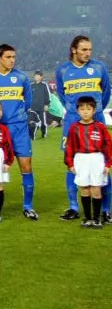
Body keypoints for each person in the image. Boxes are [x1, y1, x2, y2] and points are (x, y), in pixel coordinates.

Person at [54, 36, 112, 222]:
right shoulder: (62, 70)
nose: (88, 53)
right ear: (74, 50)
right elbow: (63, 96)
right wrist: (74, 111)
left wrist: (96, 111)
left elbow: (106, 92)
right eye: (84, 50)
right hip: (72, 122)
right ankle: (73, 207)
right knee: (72, 164)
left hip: (97, 120)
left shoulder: (99, 67)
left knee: (102, 164)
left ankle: (106, 209)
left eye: (90, 50)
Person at [0, 43, 38, 220]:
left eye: (14, 57)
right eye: (8, 57)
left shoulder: (21, 78)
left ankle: (28, 206)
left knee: (26, 167)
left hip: (19, 129)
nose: (12, 60)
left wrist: (16, 116)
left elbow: (27, 102)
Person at [65, 96, 112, 228]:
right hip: (81, 159)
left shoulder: (100, 127)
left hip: (97, 159)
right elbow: (69, 147)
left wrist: (108, 164)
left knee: (96, 189)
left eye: (88, 109)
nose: (85, 111)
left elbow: (108, 146)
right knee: (84, 189)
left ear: (94, 110)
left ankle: (97, 218)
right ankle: (87, 218)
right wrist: (70, 164)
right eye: (82, 109)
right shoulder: (74, 128)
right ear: (78, 111)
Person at [29, 71, 51, 140]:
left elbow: (48, 95)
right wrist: (28, 106)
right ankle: (32, 135)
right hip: (33, 107)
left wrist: (46, 104)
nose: (36, 77)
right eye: (35, 75)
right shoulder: (31, 85)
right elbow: (29, 96)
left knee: (43, 122)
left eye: (38, 75)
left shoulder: (44, 85)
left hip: (41, 107)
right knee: (32, 122)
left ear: (41, 77)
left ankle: (43, 133)